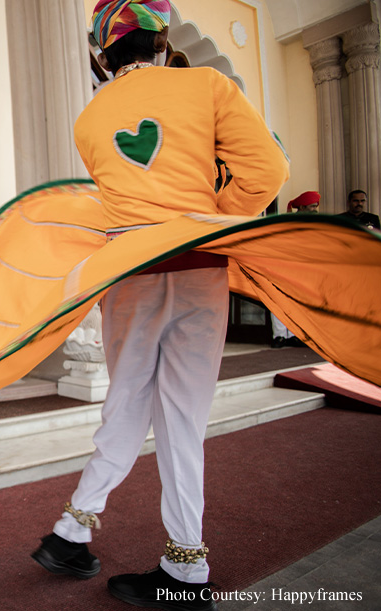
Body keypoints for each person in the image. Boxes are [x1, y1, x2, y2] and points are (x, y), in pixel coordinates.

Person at [29, 2, 288, 610]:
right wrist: (211, 221)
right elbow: (267, 169)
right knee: (181, 419)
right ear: (163, 39)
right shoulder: (207, 83)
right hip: (198, 271)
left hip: (131, 273)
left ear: (102, 52)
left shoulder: (90, 117)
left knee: (125, 402)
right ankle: (184, 566)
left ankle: (72, 531)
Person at [271, 191, 319, 348]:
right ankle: (279, 335)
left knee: (297, 302)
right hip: (284, 266)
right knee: (279, 301)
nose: (315, 209)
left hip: (304, 268)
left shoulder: (315, 224)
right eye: (312, 206)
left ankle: (293, 334)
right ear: (303, 207)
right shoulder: (287, 222)